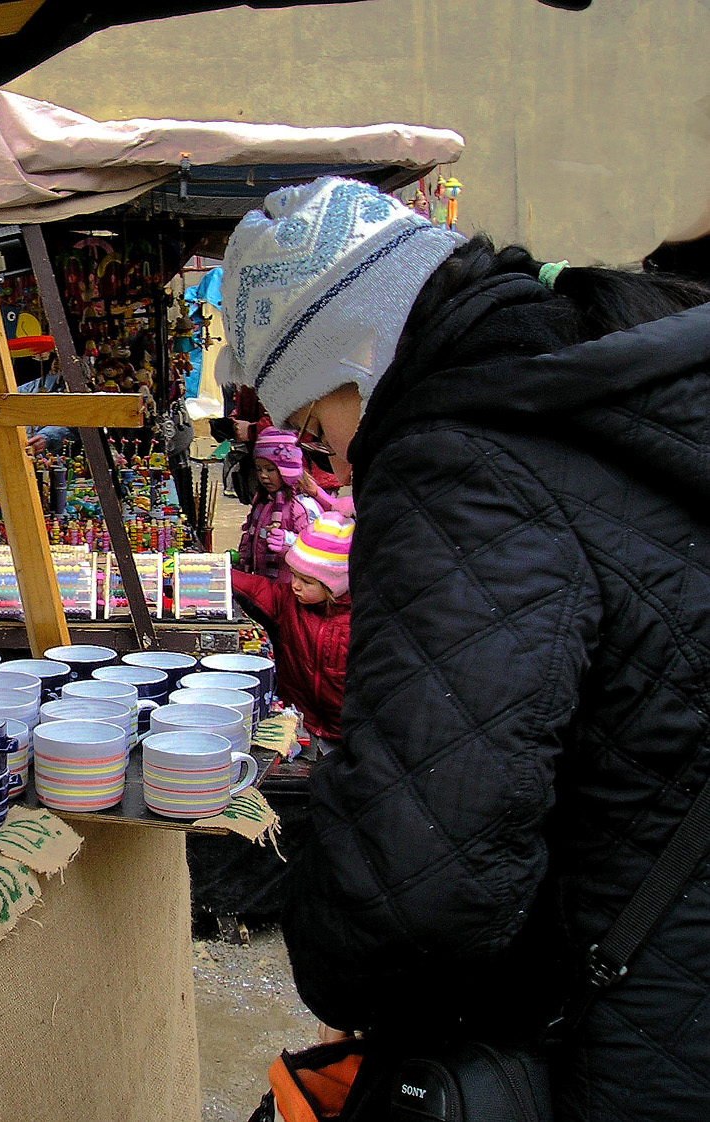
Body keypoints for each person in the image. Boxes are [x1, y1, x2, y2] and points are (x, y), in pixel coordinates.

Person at [217, 175, 710, 1121]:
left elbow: (416, 879)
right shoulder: (613, 379)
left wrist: (338, 963)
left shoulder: (460, 461)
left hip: (621, 1033)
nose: (336, 465)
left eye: (318, 428)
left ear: (359, 354)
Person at [230, 514, 351, 756]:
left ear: (332, 586)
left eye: (306, 581)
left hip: (346, 733)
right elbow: (257, 589)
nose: (295, 584)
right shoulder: (288, 602)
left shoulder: (359, 620)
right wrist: (218, 572)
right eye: (294, 574)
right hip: (298, 722)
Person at [235, 428, 318, 582]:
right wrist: (242, 558)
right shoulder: (262, 500)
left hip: (288, 585)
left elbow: (313, 548)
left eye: (270, 469)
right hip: (262, 579)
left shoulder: (301, 507)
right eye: (259, 469)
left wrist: (286, 540)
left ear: (287, 470)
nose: (263, 475)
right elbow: (251, 532)